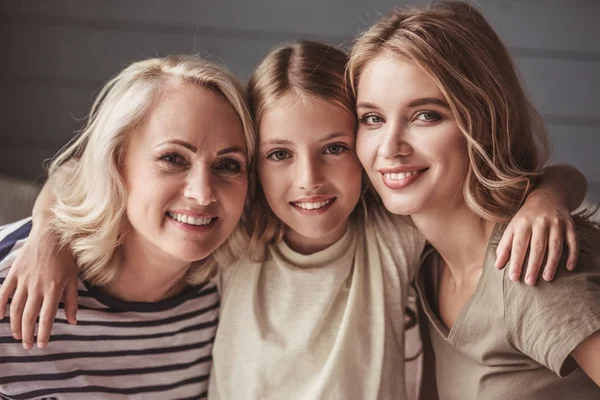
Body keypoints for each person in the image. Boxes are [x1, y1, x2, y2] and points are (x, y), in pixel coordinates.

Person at [0, 41, 588, 399]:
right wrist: (47, 234)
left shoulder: (387, 234)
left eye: (334, 148)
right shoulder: (237, 238)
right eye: (279, 155)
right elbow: (84, 169)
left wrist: (546, 197)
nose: (308, 180)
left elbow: (525, 183)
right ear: (257, 168)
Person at [347, 1, 600, 398]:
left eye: (425, 115)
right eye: (372, 119)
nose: (389, 147)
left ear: (483, 120)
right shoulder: (426, 263)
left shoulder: (531, 268)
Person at [0, 55, 255, 399]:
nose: (203, 193)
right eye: (173, 158)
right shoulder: (14, 284)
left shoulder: (227, 294)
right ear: (115, 161)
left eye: (228, 165)